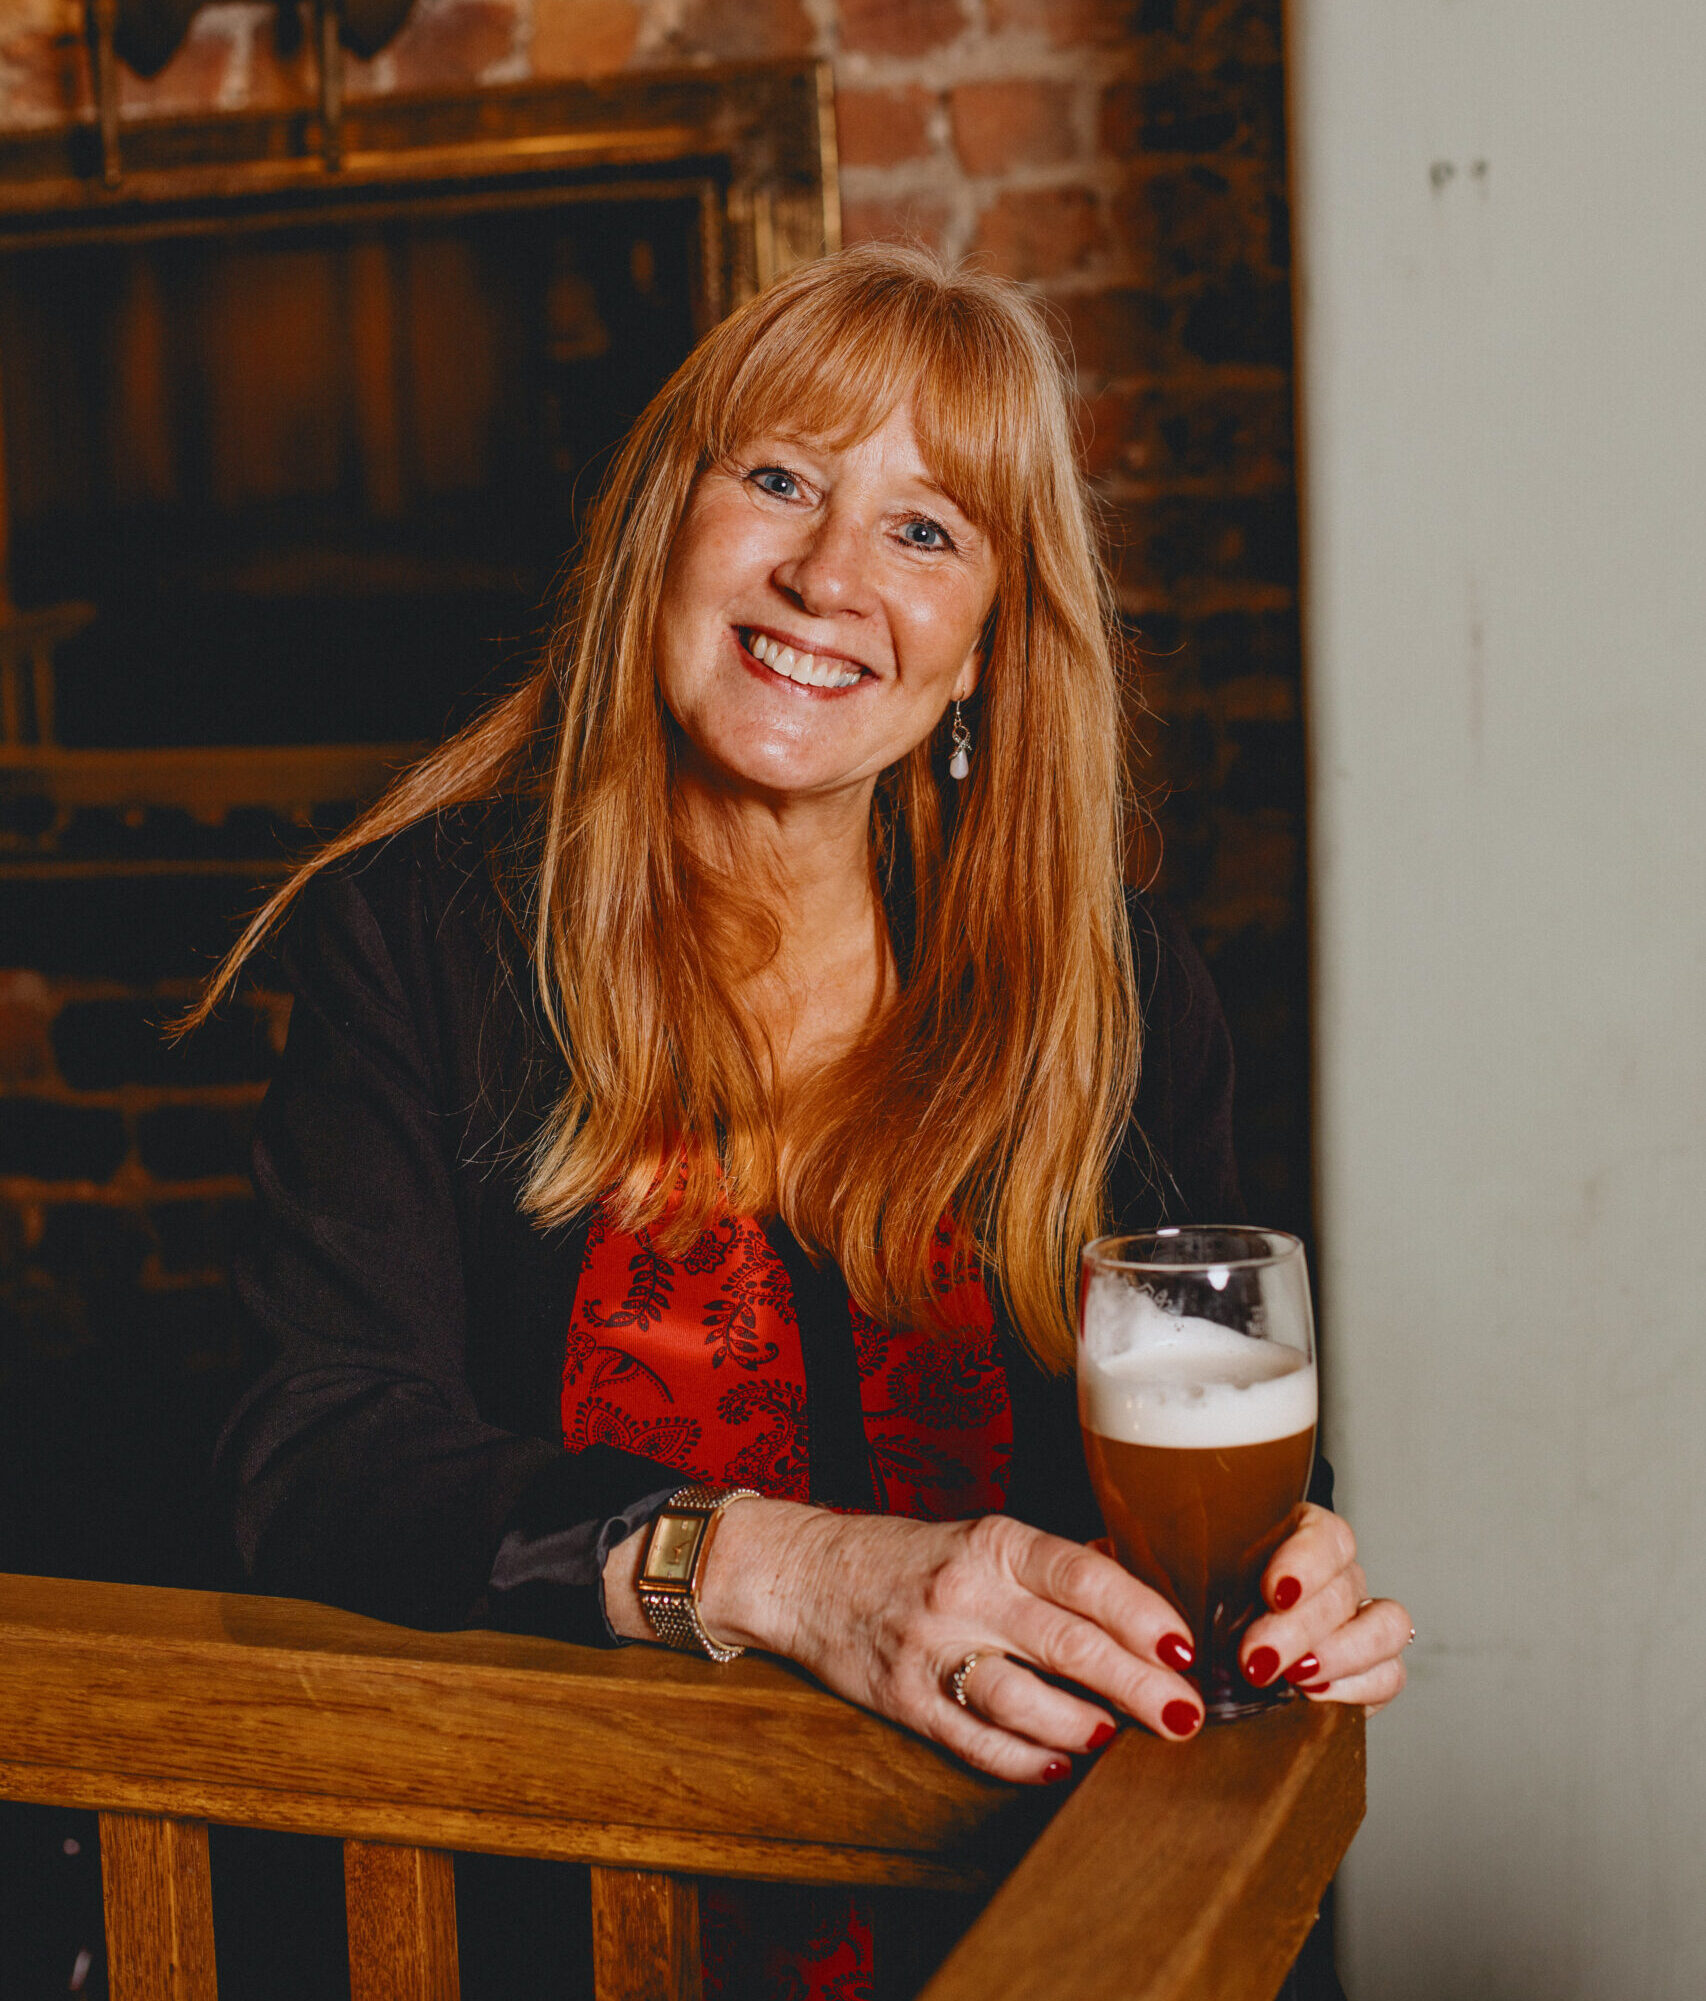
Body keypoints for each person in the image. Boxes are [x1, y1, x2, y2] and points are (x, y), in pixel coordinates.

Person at [204, 244, 1411, 1999]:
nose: (829, 573)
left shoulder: (1114, 983)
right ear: (661, 532)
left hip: (1041, 1919)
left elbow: (1210, 1419)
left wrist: (1289, 1566)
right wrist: (770, 1564)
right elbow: (307, 1454)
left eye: (926, 531)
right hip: (578, 1922)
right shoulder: (429, 930)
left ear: (989, 647)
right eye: (777, 477)